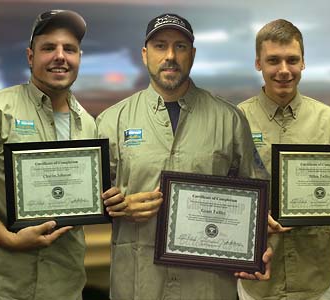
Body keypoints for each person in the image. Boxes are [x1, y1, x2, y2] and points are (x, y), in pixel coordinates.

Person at [97, 13, 271, 300]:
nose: (170, 56)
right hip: (138, 283)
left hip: (207, 285)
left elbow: (255, 197)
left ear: (192, 54)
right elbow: (93, 201)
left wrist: (259, 247)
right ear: (144, 54)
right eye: (160, 46)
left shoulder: (229, 119)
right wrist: (119, 206)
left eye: (180, 47)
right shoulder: (111, 121)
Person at [0, 9, 123, 300]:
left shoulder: (89, 124)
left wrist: (111, 199)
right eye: (49, 48)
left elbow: (91, 197)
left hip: (65, 281)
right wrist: (9, 239)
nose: (60, 56)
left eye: (69, 49)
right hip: (3, 283)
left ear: (79, 58)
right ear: (31, 57)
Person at [237, 19, 330, 300]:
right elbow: (226, 188)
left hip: (317, 275)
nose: (284, 70)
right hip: (259, 274)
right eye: (273, 60)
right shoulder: (237, 120)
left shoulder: (327, 119)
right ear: (258, 63)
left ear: (303, 63)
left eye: (292, 60)